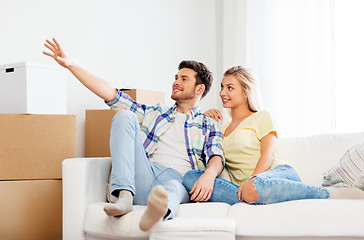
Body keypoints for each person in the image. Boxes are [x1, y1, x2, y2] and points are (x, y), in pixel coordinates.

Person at [43, 38, 224, 231]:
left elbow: (216, 156)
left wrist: (209, 175)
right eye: (176, 77)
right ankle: (124, 195)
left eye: (183, 79)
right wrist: (72, 65)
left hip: (178, 179)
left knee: (174, 189)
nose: (176, 82)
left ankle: (157, 213)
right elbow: (111, 94)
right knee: (124, 115)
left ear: (199, 89)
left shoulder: (208, 123)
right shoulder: (155, 113)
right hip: (145, 172)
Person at [183, 65, 331, 205]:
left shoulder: (261, 117)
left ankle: (325, 194)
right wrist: (203, 120)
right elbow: (203, 157)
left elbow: (269, 154)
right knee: (190, 178)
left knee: (255, 187)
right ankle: (251, 197)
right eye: (222, 87)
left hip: (275, 174)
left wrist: (252, 180)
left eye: (230, 88)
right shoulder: (220, 130)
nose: (222, 93)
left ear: (246, 92)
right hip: (244, 189)